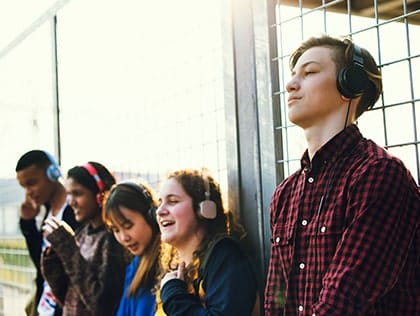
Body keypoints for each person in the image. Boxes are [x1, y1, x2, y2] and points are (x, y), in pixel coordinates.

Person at [264, 34, 420, 315]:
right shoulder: (284, 194)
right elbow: (275, 301)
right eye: (292, 75)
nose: (290, 85)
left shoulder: (379, 175)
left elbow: (344, 302)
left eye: (309, 72)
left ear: (351, 85)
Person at [156, 168, 260, 315]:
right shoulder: (175, 271)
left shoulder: (225, 255)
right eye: (159, 203)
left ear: (204, 208)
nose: (160, 211)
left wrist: (174, 296)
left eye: (173, 201)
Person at [40, 162, 128, 315]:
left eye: (78, 194)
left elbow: (101, 305)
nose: (71, 202)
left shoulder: (112, 239)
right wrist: (53, 262)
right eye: (69, 194)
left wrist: (68, 249)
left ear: (101, 194)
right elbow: (68, 296)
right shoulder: (82, 233)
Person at [16, 149, 79, 316]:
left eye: (32, 183)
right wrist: (28, 224)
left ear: (53, 173)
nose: (28, 192)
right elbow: (41, 264)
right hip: (45, 306)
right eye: (24, 187)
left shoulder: (74, 211)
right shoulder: (48, 211)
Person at [102, 181, 161, 316]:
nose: (123, 238)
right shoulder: (135, 266)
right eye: (116, 230)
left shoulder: (167, 266)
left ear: (151, 216)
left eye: (128, 226)